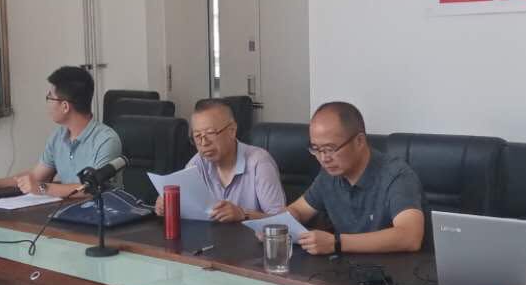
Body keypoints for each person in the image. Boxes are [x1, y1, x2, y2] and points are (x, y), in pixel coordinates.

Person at [286, 102, 425, 254]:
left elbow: (410, 236)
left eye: (330, 149)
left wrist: (336, 243)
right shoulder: (329, 174)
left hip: (394, 267)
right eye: (316, 149)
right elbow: (298, 210)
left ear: (359, 141)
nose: (324, 158)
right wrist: (277, 223)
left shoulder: (397, 175)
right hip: (347, 266)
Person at [0, 66, 122, 199]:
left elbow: (91, 189)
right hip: (67, 212)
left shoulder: (106, 140)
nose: (47, 102)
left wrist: (43, 188)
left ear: (65, 106)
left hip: (102, 216)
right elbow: (35, 176)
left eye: (50, 97)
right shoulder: (58, 136)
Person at [154, 99, 287, 223]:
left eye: (211, 133)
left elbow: (282, 222)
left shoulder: (259, 162)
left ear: (232, 130)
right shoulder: (198, 162)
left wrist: (243, 214)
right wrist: (166, 203)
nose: (204, 143)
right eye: (197, 136)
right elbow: (183, 200)